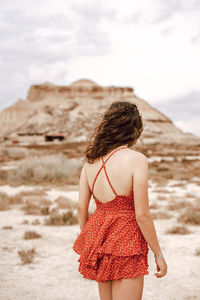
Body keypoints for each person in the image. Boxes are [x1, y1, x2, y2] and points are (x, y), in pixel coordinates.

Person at [72, 100, 168, 300]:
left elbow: (82, 208)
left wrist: (91, 242)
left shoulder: (90, 162)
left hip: (100, 239)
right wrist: (158, 254)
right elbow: (142, 214)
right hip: (127, 242)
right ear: (134, 129)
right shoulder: (136, 160)